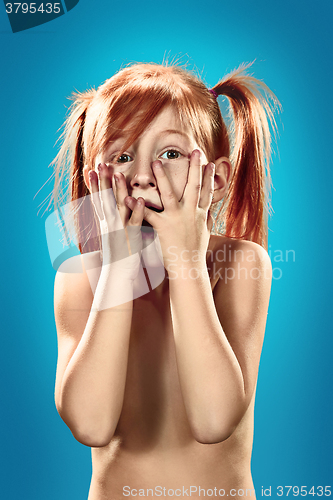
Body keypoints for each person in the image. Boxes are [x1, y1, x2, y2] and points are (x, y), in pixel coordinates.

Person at [51, 62, 278, 499]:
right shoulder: (79, 279)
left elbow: (213, 420)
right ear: (96, 185)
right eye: (121, 156)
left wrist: (185, 262)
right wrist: (118, 270)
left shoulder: (241, 265)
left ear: (215, 180)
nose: (141, 175)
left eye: (170, 153)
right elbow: (91, 423)